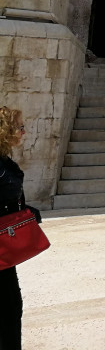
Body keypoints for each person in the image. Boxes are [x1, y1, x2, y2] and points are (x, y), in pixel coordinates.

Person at [1, 105, 39, 350]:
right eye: (20, 127)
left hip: (3, 250)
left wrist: (25, 213)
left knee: (10, 309)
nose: (24, 132)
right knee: (9, 309)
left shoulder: (4, 159)